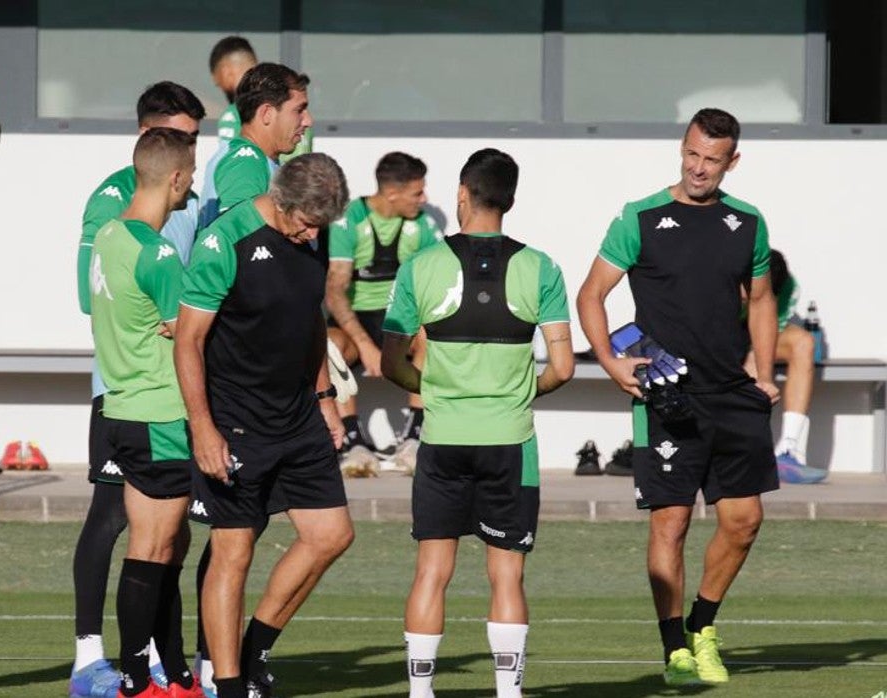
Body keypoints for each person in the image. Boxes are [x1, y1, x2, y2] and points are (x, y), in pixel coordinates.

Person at [576, 108, 778, 687]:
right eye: (692, 154)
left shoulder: (748, 222)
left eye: (712, 159)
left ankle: (703, 627)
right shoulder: (639, 217)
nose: (698, 168)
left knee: (744, 520)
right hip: (667, 396)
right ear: (681, 149)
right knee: (672, 522)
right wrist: (610, 361)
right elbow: (591, 295)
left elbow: (762, 299)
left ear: (731, 162)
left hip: (733, 393)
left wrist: (765, 373)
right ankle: (674, 652)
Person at [381, 149, 573, 698]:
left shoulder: (420, 266)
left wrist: (434, 389)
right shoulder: (542, 268)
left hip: (443, 439)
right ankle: (508, 693)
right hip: (511, 441)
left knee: (431, 571)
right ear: (510, 200)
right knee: (507, 575)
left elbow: (391, 362)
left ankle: (420, 693)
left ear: (462, 193)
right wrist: (520, 392)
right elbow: (562, 367)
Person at [175, 154, 353, 698]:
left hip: (299, 416)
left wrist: (325, 396)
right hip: (235, 422)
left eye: (321, 226)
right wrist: (203, 428)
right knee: (234, 552)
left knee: (331, 535)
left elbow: (309, 320)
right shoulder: (223, 242)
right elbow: (188, 342)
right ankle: (228, 684)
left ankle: (254, 650)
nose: (313, 235)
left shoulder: (312, 236)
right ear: (281, 201)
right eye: (307, 223)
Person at [71, 81, 206, 698]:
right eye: (190, 177)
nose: (191, 188)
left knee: (158, 547)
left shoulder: (109, 237)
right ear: (175, 180)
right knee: (155, 550)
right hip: (160, 412)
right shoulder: (158, 254)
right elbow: (190, 333)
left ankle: (168, 675)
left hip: (121, 407)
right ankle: (136, 677)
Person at [327, 152, 442, 474]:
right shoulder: (350, 218)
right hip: (354, 323)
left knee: (432, 334)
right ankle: (353, 442)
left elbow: (435, 286)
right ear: (392, 193)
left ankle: (413, 439)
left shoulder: (422, 225)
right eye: (417, 193)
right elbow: (334, 290)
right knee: (328, 346)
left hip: (399, 321)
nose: (424, 199)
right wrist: (365, 345)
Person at [743, 249, 826, 483]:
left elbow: (766, 336)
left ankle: (788, 450)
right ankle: (746, 451)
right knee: (748, 360)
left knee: (803, 342)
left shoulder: (789, 287)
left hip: (755, 338)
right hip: (716, 340)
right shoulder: (720, 280)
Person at [200, 62, 312, 227]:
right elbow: (242, 234)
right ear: (267, 113)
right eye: (299, 110)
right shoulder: (245, 162)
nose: (308, 121)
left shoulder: (261, 160)